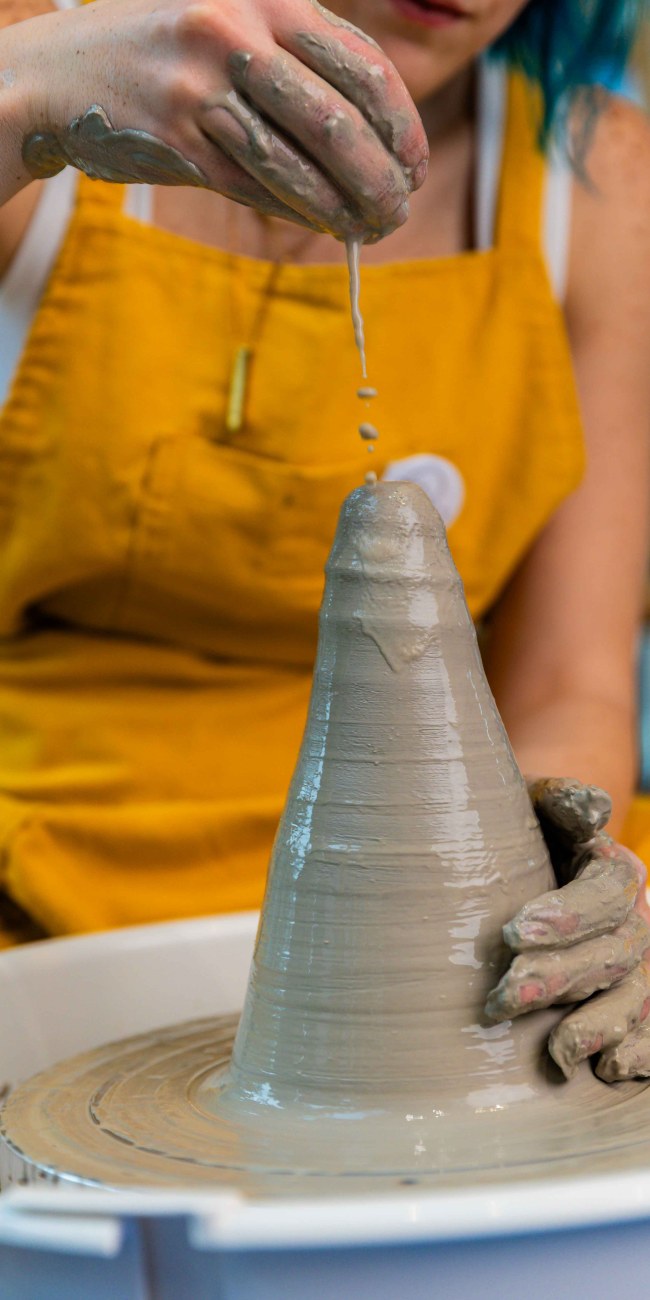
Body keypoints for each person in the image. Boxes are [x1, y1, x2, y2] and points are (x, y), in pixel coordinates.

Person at [0, 0, 649, 1081]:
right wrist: (23, 91)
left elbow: (567, 682)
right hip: (35, 834)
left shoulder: (594, 175)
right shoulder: (59, 60)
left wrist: (537, 892)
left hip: (434, 864)